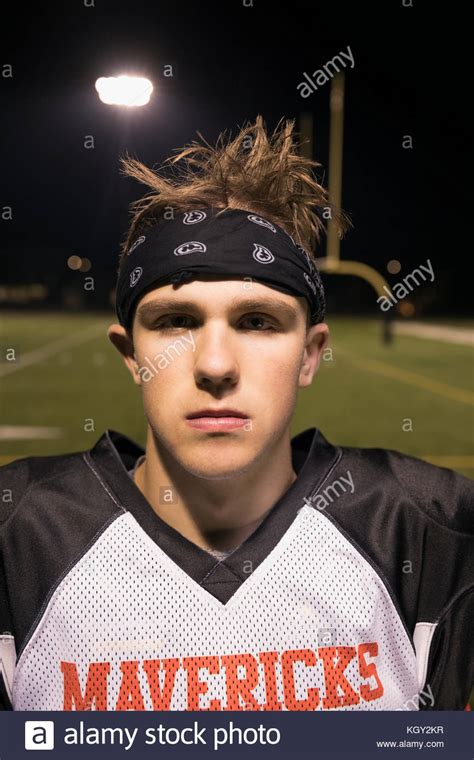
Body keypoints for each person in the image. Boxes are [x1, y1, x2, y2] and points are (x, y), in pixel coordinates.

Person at [0, 117, 472, 711]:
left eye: (257, 322)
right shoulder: (20, 540)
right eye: (176, 321)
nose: (215, 365)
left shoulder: (430, 532)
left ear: (309, 354)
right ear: (131, 355)